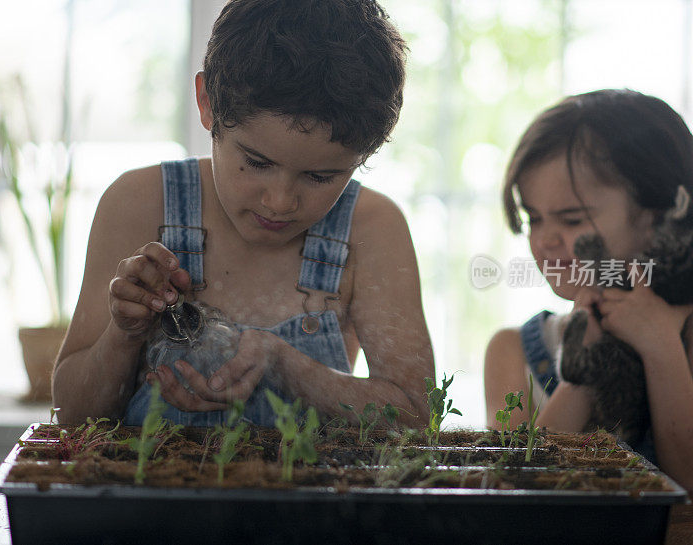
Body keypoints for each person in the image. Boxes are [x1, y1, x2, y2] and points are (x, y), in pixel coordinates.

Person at [53, 0, 435, 430]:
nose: (280, 201)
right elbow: (71, 414)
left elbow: (415, 417)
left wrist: (286, 367)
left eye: (321, 175)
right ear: (207, 103)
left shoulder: (370, 230)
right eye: (256, 162)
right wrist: (124, 334)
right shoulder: (139, 204)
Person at [484, 89, 693, 491]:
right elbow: (518, 487)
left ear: (658, 214)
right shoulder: (513, 352)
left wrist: (661, 345)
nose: (544, 240)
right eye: (534, 218)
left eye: (571, 219)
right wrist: (583, 368)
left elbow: (686, 486)